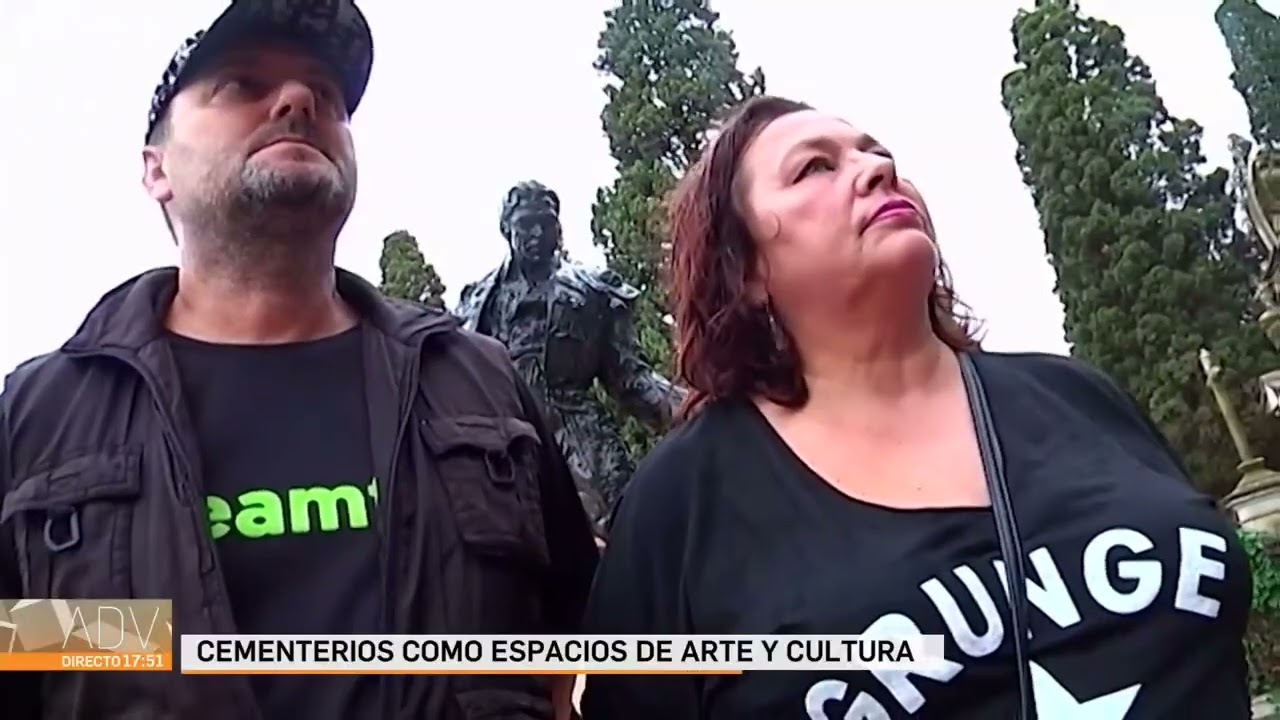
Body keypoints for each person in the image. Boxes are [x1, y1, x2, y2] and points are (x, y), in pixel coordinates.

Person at [0, 2, 597, 719]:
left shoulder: (480, 387)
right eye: (242, 85)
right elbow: (33, 658)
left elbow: (570, 641)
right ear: (156, 170)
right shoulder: (40, 423)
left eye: (326, 92)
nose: (299, 100)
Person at [579, 95, 1252, 718]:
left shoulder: (1079, 396)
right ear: (745, 269)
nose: (878, 169)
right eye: (815, 167)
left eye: (876, 152)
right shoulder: (684, 506)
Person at [454, 181, 685, 534]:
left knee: (630, 545)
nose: (536, 234)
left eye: (545, 223)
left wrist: (695, 409)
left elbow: (630, 378)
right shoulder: (475, 303)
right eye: (525, 224)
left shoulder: (594, 292)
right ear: (506, 229)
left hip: (583, 444)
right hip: (504, 456)